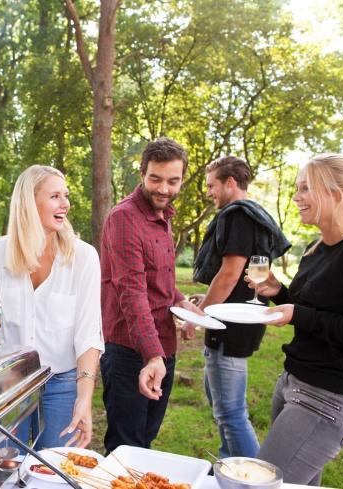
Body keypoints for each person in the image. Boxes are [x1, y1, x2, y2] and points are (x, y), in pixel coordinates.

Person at [250, 153, 343, 485]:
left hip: (330, 398)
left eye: (306, 188)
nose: (296, 197)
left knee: (260, 483)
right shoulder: (317, 248)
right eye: (296, 188)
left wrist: (300, 314)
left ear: (339, 193)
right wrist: (279, 292)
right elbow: (315, 310)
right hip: (293, 383)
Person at [0, 165, 103, 449]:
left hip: (62, 381)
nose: (65, 203)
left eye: (65, 196)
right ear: (29, 202)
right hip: (8, 380)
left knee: (54, 470)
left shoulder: (84, 257)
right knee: (4, 467)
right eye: (55, 196)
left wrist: (84, 397)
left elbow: (89, 333)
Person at [99, 137, 203, 453]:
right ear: (142, 173)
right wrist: (152, 356)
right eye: (155, 179)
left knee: (145, 440)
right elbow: (132, 291)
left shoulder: (163, 217)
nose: (164, 189)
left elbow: (161, 281)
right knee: (126, 447)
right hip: (131, 351)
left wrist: (182, 301)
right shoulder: (124, 218)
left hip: (162, 347)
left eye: (173, 181)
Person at [191, 156, 291, 459]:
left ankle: (256, 478)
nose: (209, 192)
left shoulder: (238, 216)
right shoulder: (255, 214)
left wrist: (200, 313)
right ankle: (229, 468)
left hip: (230, 326)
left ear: (230, 183)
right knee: (222, 405)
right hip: (239, 319)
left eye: (212, 185)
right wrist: (205, 301)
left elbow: (230, 273)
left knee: (231, 413)